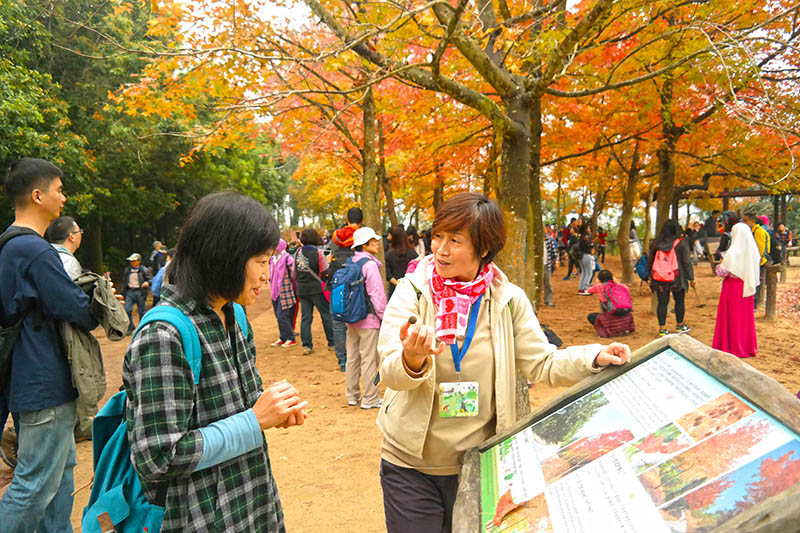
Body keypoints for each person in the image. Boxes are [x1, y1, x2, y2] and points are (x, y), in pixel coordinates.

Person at [375, 192, 630, 532]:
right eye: (437, 236)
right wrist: (412, 358)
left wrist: (594, 356)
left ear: (483, 248)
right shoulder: (414, 291)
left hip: (480, 467)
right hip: (410, 465)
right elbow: (390, 372)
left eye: (455, 240)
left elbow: (543, 363)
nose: (440, 249)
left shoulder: (508, 300)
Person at [123, 191, 307, 532]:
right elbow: (159, 456)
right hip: (200, 516)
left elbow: (240, 409)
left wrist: (273, 410)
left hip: (253, 505)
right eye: (260, 261)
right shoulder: (164, 336)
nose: (267, 275)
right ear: (223, 257)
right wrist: (255, 421)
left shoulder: (234, 314)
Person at [0, 158, 99, 532]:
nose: (63, 197)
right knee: (34, 484)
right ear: (38, 195)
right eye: (58, 189)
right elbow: (78, 310)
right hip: (45, 383)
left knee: (60, 475)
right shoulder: (36, 251)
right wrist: (98, 303)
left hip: (26, 380)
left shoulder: (7, 245)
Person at [346, 227, 388, 409]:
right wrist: (384, 317)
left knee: (353, 358)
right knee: (369, 359)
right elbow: (377, 294)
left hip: (352, 318)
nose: (377, 243)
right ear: (364, 244)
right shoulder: (369, 265)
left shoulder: (351, 262)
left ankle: (352, 395)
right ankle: (370, 398)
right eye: (373, 241)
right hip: (369, 320)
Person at [712, 223, 760, 358]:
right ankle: (747, 346)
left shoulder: (733, 252)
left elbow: (722, 272)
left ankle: (731, 345)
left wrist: (719, 265)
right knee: (745, 318)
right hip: (746, 286)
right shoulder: (752, 251)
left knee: (732, 317)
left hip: (732, 288)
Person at [329, 207, 363, 371]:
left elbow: (330, 254)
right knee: (358, 320)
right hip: (357, 279)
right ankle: (359, 358)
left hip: (338, 280)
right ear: (361, 220)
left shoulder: (336, 236)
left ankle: (343, 360)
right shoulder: (363, 235)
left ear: (347, 220)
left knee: (338, 322)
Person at [647, 220, 694, 336]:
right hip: (677, 277)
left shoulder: (656, 244)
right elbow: (687, 262)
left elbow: (650, 261)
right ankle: (679, 325)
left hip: (659, 278)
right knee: (679, 301)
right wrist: (691, 278)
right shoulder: (682, 243)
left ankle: (662, 329)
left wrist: (649, 275)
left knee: (662, 303)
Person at [295, 228, 335, 355]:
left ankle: (307, 345)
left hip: (302, 289)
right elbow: (324, 271)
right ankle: (332, 343)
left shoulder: (297, 253)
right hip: (317, 289)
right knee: (326, 315)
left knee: (306, 318)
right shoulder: (318, 253)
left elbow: (293, 272)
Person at [586, 270, 635, 337]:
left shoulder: (599, 286)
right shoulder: (619, 285)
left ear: (600, 279)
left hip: (611, 314)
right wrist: (616, 282)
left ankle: (607, 330)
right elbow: (627, 288)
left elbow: (589, 290)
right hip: (625, 313)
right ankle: (622, 328)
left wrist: (598, 283)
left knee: (591, 316)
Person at [269, 239, 297, 348]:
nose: (272, 250)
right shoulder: (273, 259)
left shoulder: (287, 258)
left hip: (285, 291)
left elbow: (294, 275)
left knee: (282, 315)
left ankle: (291, 338)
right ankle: (283, 337)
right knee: (278, 315)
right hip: (274, 291)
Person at [742, 212, 770, 309]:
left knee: (755, 282)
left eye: (746, 220)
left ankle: (753, 305)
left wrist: (757, 260)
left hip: (757, 262)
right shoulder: (752, 231)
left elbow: (760, 249)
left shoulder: (758, 231)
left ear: (752, 221)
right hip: (753, 261)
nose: (743, 222)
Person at [121, 252, 153, 334]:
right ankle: (130, 326)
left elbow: (151, 279)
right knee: (127, 309)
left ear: (139, 261)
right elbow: (124, 282)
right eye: (131, 261)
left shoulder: (143, 270)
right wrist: (122, 292)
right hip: (130, 291)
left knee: (141, 311)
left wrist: (147, 283)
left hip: (140, 292)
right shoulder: (127, 270)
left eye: (133, 261)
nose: (132, 262)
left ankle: (143, 328)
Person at [45, 215, 84, 279]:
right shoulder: (69, 263)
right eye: (79, 231)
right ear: (72, 237)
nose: (81, 234)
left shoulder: (43, 254)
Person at [385, 225, 418, 299]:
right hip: (410, 289)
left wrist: (398, 284)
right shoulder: (413, 253)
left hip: (394, 290)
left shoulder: (388, 254)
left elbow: (388, 274)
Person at [577, 224, 594, 295]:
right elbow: (589, 246)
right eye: (589, 228)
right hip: (586, 256)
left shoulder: (581, 237)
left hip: (580, 256)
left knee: (583, 272)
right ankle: (585, 289)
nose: (590, 230)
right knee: (589, 272)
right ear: (586, 229)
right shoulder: (586, 237)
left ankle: (581, 289)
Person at [543, 225, 558, 306]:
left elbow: (554, 251)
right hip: (537, 266)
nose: (544, 230)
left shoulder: (549, 239)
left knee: (547, 283)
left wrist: (556, 261)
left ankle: (548, 301)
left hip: (547, 264)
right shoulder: (533, 240)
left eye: (544, 228)